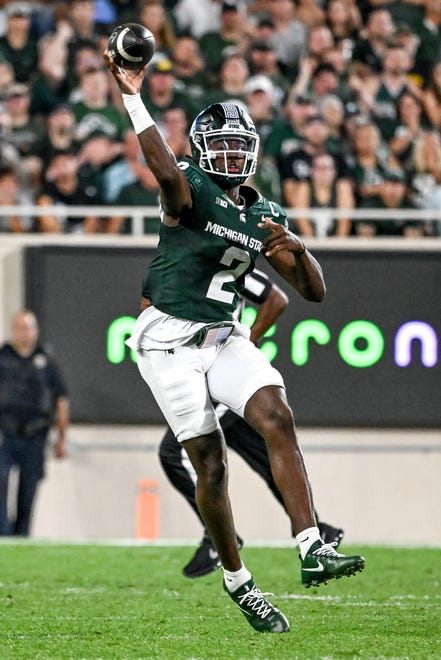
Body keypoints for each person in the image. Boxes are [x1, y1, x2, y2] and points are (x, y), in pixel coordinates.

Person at [104, 51, 365, 634]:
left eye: (237, 142)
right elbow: (165, 172)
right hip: (166, 340)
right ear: (200, 147)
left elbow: (312, 293)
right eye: (218, 141)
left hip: (223, 334)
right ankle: (239, 582)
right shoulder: (188, 186)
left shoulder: (264, 209)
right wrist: (132, 96)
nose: (230, 151)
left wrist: (295, 245)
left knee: (276, 414)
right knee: (212, 468)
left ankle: (312, 545)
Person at [158, 268, 345, 579]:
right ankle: (317, 531)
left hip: (223, 373)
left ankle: (217, 537)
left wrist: (246, 342)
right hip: (204, 371)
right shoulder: (183, 261)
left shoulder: (226, 258)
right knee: (267, 457)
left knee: (174, 452)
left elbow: (276, 299)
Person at [0, 310, 69, 536]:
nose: (23, 333)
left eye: (28, 328)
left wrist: (61, 438)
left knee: (28, 490)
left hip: (35, 435)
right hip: (5, 435)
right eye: (19, 328)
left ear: (35, 331)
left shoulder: (46, 361)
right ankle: (4, 534)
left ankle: (21, 537)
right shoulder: (3, 357)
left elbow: (61, 399)